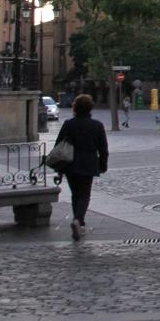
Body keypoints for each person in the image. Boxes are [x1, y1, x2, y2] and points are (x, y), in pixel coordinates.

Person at [55, 94, 109, 240]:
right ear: (90, 108)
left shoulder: (68, 124)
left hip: (70, 164)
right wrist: (103, 164)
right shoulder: (97, 125)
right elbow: (103, 148)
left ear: (75, 107)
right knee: (85, 194)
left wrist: (59, 168)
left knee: (75, 194)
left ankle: (78, 221)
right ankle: (79, 220)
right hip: (88, 163)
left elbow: (58, 145)